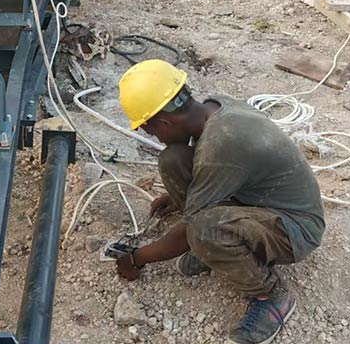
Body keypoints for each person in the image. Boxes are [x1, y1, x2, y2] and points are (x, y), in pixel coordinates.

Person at [115, 60, 325, 344]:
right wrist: (180, 200)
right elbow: (216, 169)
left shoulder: (220, 144)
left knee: (203, 230)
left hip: (295, 228)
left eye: (151, 131)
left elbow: (191, 228)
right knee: (173, 159)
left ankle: (271, 297)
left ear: (164, 121)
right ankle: (218, 251)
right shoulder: (214, 107)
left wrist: (136, 258)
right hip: (260, 199)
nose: (156, 138)